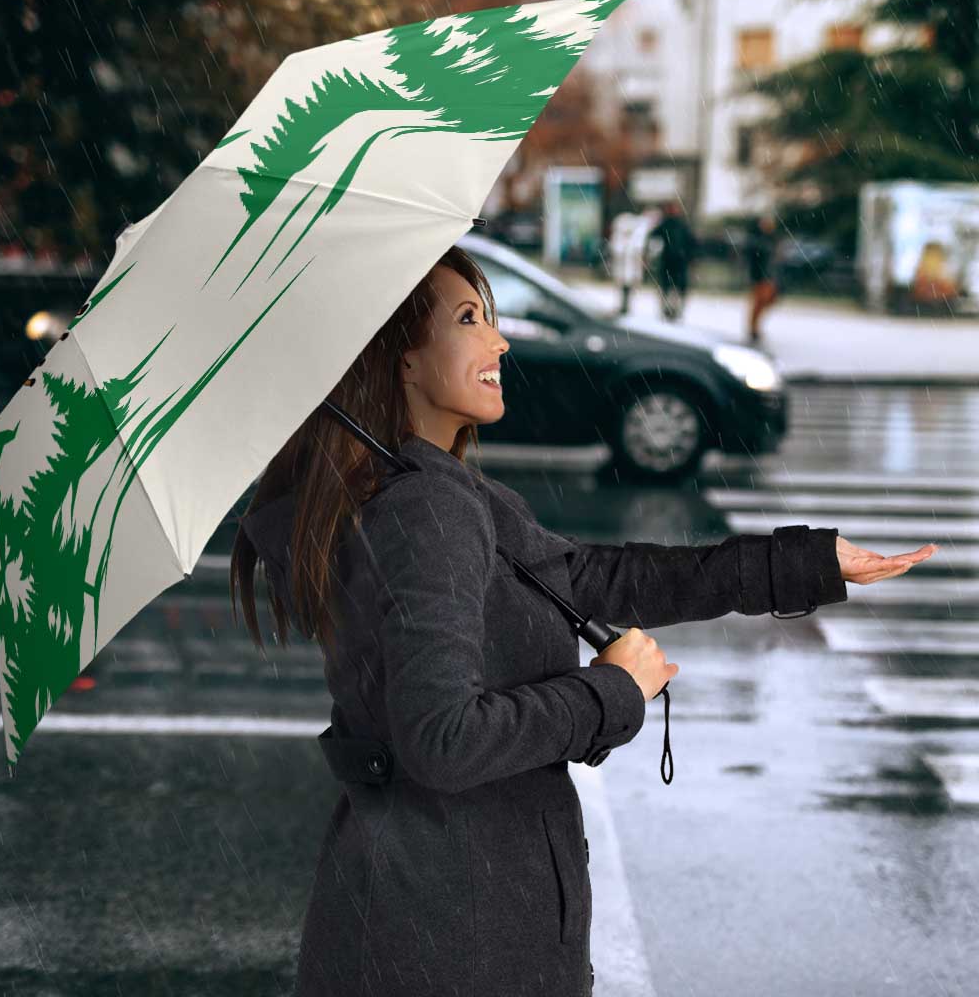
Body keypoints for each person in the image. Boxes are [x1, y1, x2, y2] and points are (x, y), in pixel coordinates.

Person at [231, 245, 932, 997]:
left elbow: (596, 578)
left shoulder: (431, 491)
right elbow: (442, 741)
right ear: (400, 360)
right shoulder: (424, 510)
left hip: (434, 916)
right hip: (453, 935)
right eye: (469, 319)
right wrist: (610, 692)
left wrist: (804, 564)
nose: (499, 341)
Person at [647, 199, 697, 322]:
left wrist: (690, 257)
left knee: (675, 288)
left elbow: (691, 243)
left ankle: (674, 310)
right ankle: (668, 310)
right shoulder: (667, 224)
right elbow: (653, 237)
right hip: (670, 261)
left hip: (678, 261)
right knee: (668, 287)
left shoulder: (680, 225)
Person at [745, 212, 781, 343]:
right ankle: (753, 328)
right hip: (760, 276)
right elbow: (754, 259)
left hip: (769, 276)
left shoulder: (772, 239)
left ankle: (754, 327)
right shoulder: (757, 240)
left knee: (767, 301)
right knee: (759, 302)